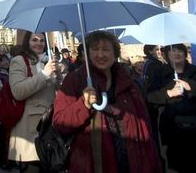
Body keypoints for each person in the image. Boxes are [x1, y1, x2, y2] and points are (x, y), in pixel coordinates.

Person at [53, 31, 161, 172]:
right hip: (93, 163)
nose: (100, 55)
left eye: (105, 49)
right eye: (95, 49)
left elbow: (143, 124)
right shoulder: (75, 80)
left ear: (115, 53)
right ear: (87, 52)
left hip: (131, 161)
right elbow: (60, 123)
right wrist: (83, 105)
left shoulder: (127, 81)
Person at [147, 43, 196, 173]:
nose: (177, 53)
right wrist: (168, 93)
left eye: (180, 51)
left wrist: (192, 87)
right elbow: (149, 97)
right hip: (172, 130)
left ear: (185, 54)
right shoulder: (159, 74)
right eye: (173, 51)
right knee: (175, 166)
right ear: (167, 55)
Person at [8, 32, 59, 172]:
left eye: (42, 40)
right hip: (29, 128)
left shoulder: (49, 61)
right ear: (27, 42)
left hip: (50, 126)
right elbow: (18, 91)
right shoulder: (19, 61)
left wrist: (59, 75)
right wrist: (44, 74)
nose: (39, 43)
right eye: (34, 40)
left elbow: (58, 91)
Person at [0, 53, 13, 170]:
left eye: (6, 60)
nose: (5, 62)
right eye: (2, 61)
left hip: (12, 105)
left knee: (11, 134)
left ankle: (10, 158)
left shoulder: (11, 73)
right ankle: (3, 160)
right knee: (4, 134)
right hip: (4, 106)